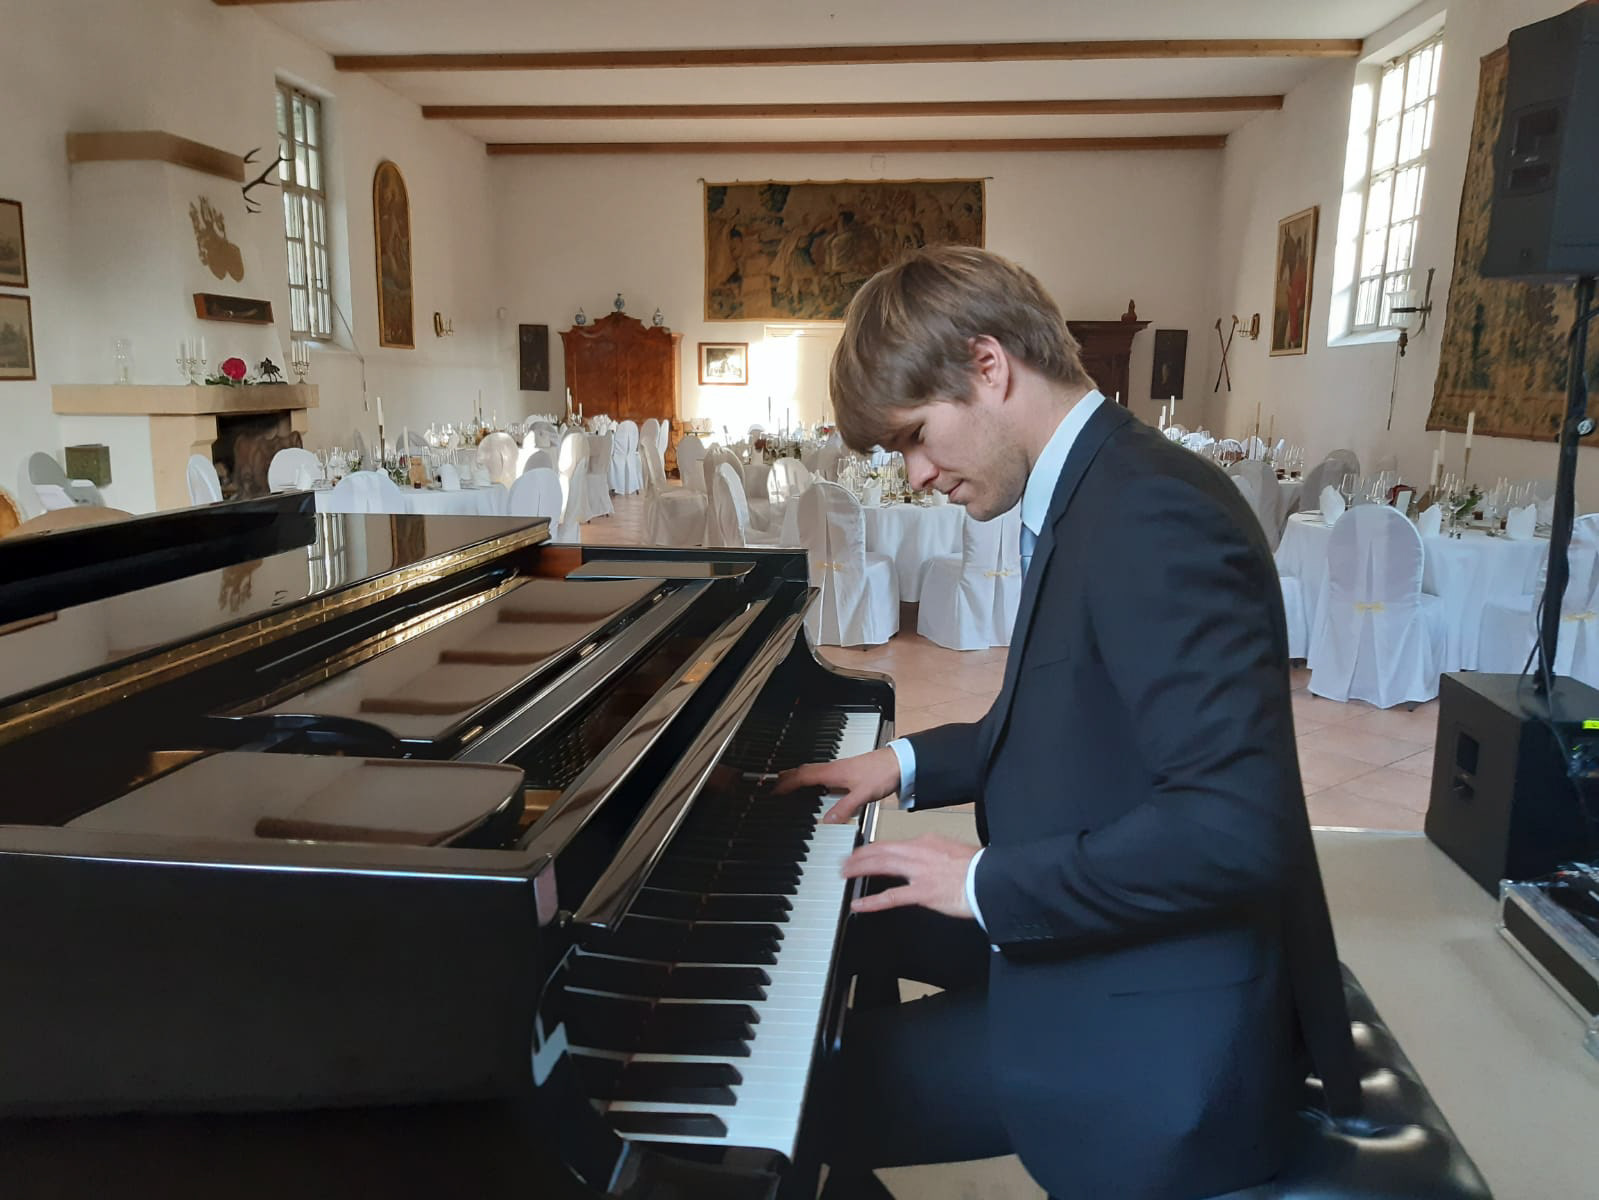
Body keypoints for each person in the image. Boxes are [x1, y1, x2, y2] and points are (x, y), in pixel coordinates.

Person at [776, 246, 1360, 1200]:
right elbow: (1066, 722)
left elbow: (1229, 828)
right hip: (1112, 918)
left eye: (918, 436)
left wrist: (983, 881)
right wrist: (901, 762)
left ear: (988, 366)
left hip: (1164, 1021)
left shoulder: (1151, 513)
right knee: (848, 926)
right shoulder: (1093, 484)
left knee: (794, 1094)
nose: (917, 474)